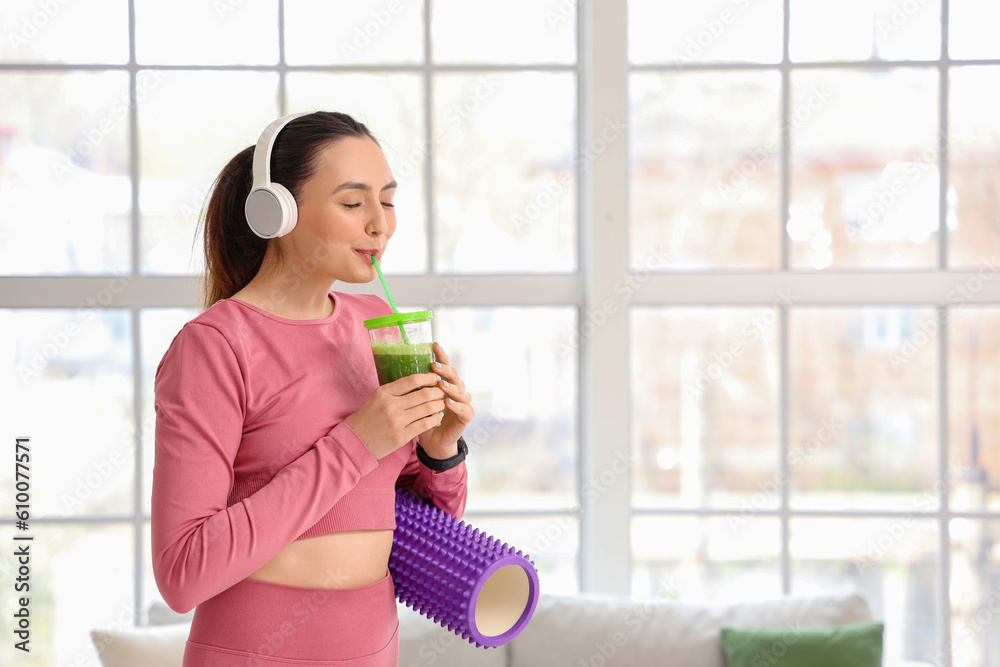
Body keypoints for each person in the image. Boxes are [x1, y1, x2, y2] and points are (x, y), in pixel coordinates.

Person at [150, 111, 473, 666]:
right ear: (276, 212)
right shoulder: (216, 346)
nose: (381, 225)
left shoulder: (378, 325)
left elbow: (422, 532)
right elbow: (182, 573)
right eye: (353, 203)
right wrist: (357, 442)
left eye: (388, 200)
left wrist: (440, 453)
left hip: (375, 648)